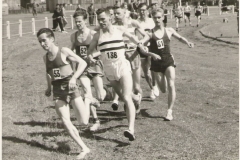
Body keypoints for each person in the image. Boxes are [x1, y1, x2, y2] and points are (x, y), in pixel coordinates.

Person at [87, 8, 144, 141]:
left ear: (110, 18)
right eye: (99, 19)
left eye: (103, 19)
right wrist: (90, 58)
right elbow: (90, 51)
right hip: (109, 70)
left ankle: (131, 129)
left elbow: (133, 38)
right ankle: (137, 98)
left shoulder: (119, 30)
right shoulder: (97, 35)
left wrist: (140, 44)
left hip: (122, 66)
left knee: (125, 96)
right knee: (127, 97)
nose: (101, 22)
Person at [37, 28, 90, 159]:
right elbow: (49, 73)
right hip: (58, 91)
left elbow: (83, 63)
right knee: (65, 121)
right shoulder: (45, 58)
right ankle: (84, 148)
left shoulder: (64, 51)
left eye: (44, 40)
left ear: (52, 39)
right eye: (40, 42)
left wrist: (74, 78)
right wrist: (48, 87)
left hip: (71, 88)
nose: (43, 44)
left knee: (83, 122)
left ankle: (88, 100)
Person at [138, 8, 194, 121]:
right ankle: (155, 83)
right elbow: (139, 45)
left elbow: (180, 38)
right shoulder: (150, 34)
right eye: (155, 18)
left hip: (168, 61)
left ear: (163, 17)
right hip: (157, 65)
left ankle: (169, 112)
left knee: (171, 85)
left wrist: (188, 42)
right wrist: (150, 53)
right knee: (163, 90)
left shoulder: (169, 30)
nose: (157, 19)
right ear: (152, 18)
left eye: (159, 17)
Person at [70, 11, 112, 132]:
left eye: (80, 21)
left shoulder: (93, 34)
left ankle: (107, 92)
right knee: (87, 93)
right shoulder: (73, 36)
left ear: (85, 21)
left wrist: (92, 56)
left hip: (95, 65)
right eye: (76, 21)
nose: (78, 24)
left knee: (100, 96)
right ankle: (96, 120)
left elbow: (102, 49)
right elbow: (72, 52)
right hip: (82, 68)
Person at [111, 5, 145, 113]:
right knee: (122, 83)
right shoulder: (113, 26)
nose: (116, 16)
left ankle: (137, 103)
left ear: (125, 13)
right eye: (114, 13)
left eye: (118, 13)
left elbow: (147, 35)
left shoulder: (133, 23)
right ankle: (129, 103)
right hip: (121, 56)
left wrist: (140, 44)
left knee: (136, 86)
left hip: (133, 55)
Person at [136, 3, 159, 100]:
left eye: (144, 10)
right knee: (146, 72)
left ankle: (154, 85)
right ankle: (152, 88)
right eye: (140, 10)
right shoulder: (136, 22)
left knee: (153, 69)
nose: (142, 12)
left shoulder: (152, 21)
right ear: (138, 11)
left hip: (153, 47)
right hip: (142, 48)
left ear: (148, 11)